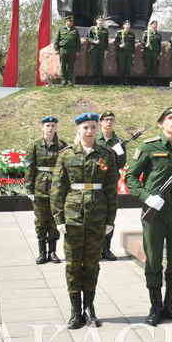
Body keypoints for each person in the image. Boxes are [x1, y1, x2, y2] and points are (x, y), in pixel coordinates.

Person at [126, 107, 172, 325]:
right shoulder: (150, 147)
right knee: (154, 260)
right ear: (161, 124)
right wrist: (146, 197)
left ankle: (171, 304)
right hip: (154, 212)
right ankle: (155, 305)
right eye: (169, 118)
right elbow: (131, 176)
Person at [51, 112, 118, 329]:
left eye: (92, 127)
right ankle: (74, 311)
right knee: (72, 264)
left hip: (97, 216)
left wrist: (110, 219)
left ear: (97, 130)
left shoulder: (106, 154)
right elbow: (57, 189)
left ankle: (89, 308)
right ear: (78, 130)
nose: (89, 132)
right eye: (85, 128)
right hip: (73, 216)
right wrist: (59, 218)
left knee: (91, 263)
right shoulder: (66, 155)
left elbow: (111, 189)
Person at [25, 116, 67, 264]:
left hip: (57, 188)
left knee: (55, 220)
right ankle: (42, 252)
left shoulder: (62, 146)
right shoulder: (35, 146)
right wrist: (29, 188)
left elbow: (66, 167)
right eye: (47, 125)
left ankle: (53, 252)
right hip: (40, 188)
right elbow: (29, 167)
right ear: (42, 127)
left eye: (53, 126)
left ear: (56, 128)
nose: (50, 128)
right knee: (41, 221)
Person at [97, 111, 127, 261]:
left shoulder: (118, 141)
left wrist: (118, 152)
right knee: (95, 216)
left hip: (110, 183)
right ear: (101, 122)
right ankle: (94, 249)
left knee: (109, 215)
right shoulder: (95, 139)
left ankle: (106, 249)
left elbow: (121, 163)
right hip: (96, 181)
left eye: (111, 120)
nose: (109, 122)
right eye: (106, 119)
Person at [53, 16, 80, 86]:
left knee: (71, 66)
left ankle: (70, 81)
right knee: (63, 66)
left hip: (72, 50)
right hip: (63, 49)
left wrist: (78, 51)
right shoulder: (61, 29)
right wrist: (56, 49)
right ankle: (63, 80)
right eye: (69, 21)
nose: (70, 23)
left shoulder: (75, 30)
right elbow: (57, 40)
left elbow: (78, 41)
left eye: (71, 22)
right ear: (66, 22)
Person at [87, 17, 109, 85]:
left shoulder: (105, 30)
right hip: (94, 49)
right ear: (96, 21)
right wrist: (94, 41)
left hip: (102, 50)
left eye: (102, 21)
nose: (100, 22)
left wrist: (106, 50)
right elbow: (88, 37)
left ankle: (100, 80)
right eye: (99, 20)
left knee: (100, 65)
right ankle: (94, 80)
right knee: (94, 65)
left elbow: (106, 41)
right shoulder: (92, 28)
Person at [114, 20, 136, 85]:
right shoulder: (119, 33)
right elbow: (115, 42)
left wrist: (133, 53)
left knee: (128, 67)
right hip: (121, 53)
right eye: (126, 24)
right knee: (121, 67)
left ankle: (126, 81)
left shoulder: (132, 34)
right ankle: (120, 81)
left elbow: (133, 45)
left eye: (129, 25)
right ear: (123, 26)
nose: (127, 26)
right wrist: (119, 45)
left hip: (129, 53)